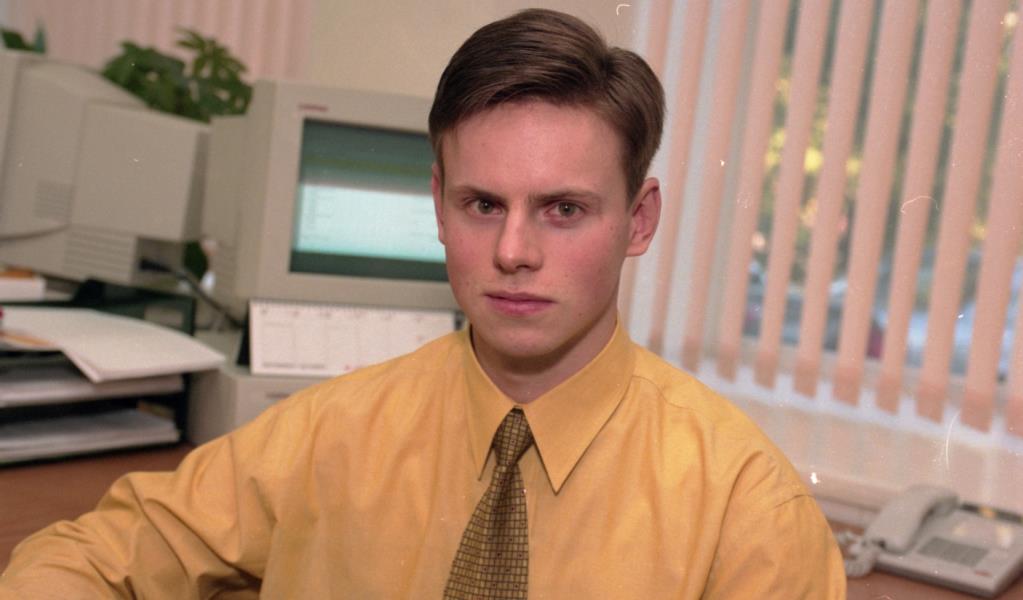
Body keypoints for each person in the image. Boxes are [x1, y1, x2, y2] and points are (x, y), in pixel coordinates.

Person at [0, 8, 845, 598]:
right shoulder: (328, 432)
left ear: (639, 220)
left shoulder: (747, 512)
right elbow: (90, 556)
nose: (512, 251)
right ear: (438, 206)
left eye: (563, 209)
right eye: (483, 204)